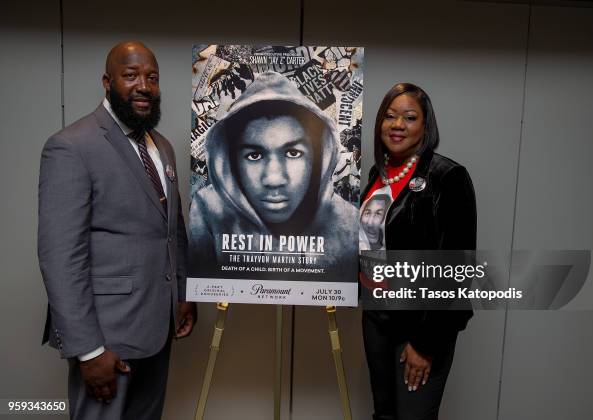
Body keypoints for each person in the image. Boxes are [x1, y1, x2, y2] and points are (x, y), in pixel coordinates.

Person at [38, 41, 197, 420]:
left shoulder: (162, 147)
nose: (143, 85)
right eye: (131, 76)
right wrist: (88, 350)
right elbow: (60, 256)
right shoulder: (71, 147)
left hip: (158, 328)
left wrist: (184, 290)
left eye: (152, 78)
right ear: (107, 82)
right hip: (105, 337)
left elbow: (171, 229)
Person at [360, 83, 476, 420]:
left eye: (409, 118)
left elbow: (457, 270)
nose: (398, 125)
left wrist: (426, 343)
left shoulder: (448, 177)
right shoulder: (377, 176)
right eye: (390, 116)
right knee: (383, 415)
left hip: (420, 324)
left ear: (426, 126)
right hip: (377, 317)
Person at [189, 71, 358, 280]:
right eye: (254, 155)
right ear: (230, 162)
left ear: (319, 158)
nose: (274, 179)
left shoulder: (348, 223)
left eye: (293, 153)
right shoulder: (207, 212)